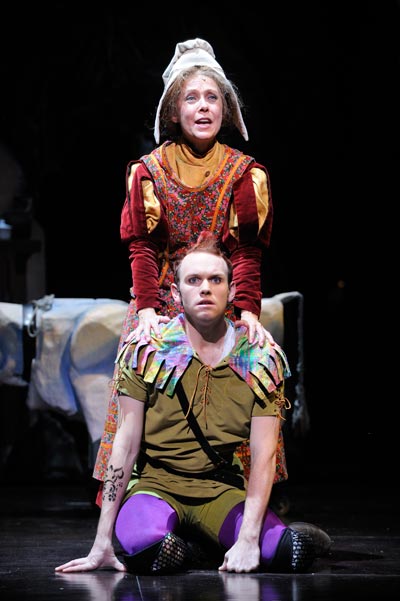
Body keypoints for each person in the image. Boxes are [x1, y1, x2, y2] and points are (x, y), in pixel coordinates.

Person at [55, 232, 330, 575]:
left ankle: (218, 539)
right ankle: (195, 542)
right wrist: (101, 542)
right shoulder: (147, 350)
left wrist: (248, 538)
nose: (204, 288)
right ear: (175, 292)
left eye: (216, 280)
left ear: (231, 291)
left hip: (220, 487)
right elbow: (124, 445)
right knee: (151, 551)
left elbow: (264, 456)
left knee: (291, 553)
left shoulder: (260, 358)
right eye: (193, 280)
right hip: (156, 486)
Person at [93, 37, 288, 492]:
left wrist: (248, 314)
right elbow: (141, 247)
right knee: (143, 377)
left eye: (213, 97)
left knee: (251, 370)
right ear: (174, 111)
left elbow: (247, 252)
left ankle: (243, 495)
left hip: (222, 301)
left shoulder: (244, 172)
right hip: (159, 300)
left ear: (226, 108)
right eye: (192, 98)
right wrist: (145, 314)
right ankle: (139, 497)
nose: (203, 107)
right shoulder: (149, 169)